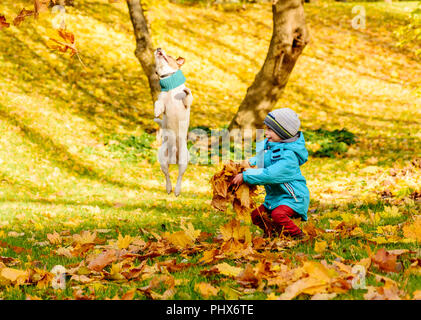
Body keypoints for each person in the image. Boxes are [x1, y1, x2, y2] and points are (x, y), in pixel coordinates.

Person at [232, 108, 310, 239]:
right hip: (276, 198)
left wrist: (246, 176)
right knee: (257, 216)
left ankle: (298, 236)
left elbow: (269, 175)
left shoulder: (288, 157)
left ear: (283, 133)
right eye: (266, 128)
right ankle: (272, 233)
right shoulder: (271, 146)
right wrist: (248, 163)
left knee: (278, 215)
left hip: (293, 198)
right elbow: (262, 159)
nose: (266, 133)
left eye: (270, 130)